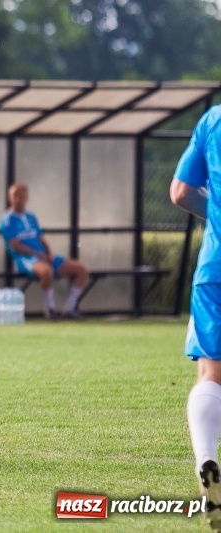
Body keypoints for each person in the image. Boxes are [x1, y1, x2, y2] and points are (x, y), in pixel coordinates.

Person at [170, 102, 221, 532]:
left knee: (210, 372)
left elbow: (180, 192)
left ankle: (207, 459)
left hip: (215, 267)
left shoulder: (213, 120)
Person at [0, 183, 89, 319]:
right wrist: (38, 254)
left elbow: (40, 237)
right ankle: (50, 310)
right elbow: (15, 245)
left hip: (43, 256)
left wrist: (49, 253)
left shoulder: (31, 217)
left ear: (27, 197)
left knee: (81, 270)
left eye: (21, 195)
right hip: (26, 259)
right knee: (46, 271)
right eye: (14, 195)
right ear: (9, 198)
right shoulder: (6, 219)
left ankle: (69, 309)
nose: (18, 199)